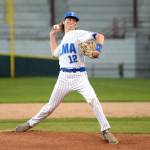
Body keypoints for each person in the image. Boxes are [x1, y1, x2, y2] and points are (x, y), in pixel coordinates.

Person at [16, 11, 119, 144]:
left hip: (80, 76)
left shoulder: (78, 33)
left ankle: (106, 130)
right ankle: (29, 124)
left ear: (76, 24)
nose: (71, 21)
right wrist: (52, 35)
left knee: (93, 99)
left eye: (74, 20)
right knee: (50, 106)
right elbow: (54, 53)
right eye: (69, 19)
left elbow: (100, 36)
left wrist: (98, 50)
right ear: (64, 22)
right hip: (63, 77)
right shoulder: (63, 41)